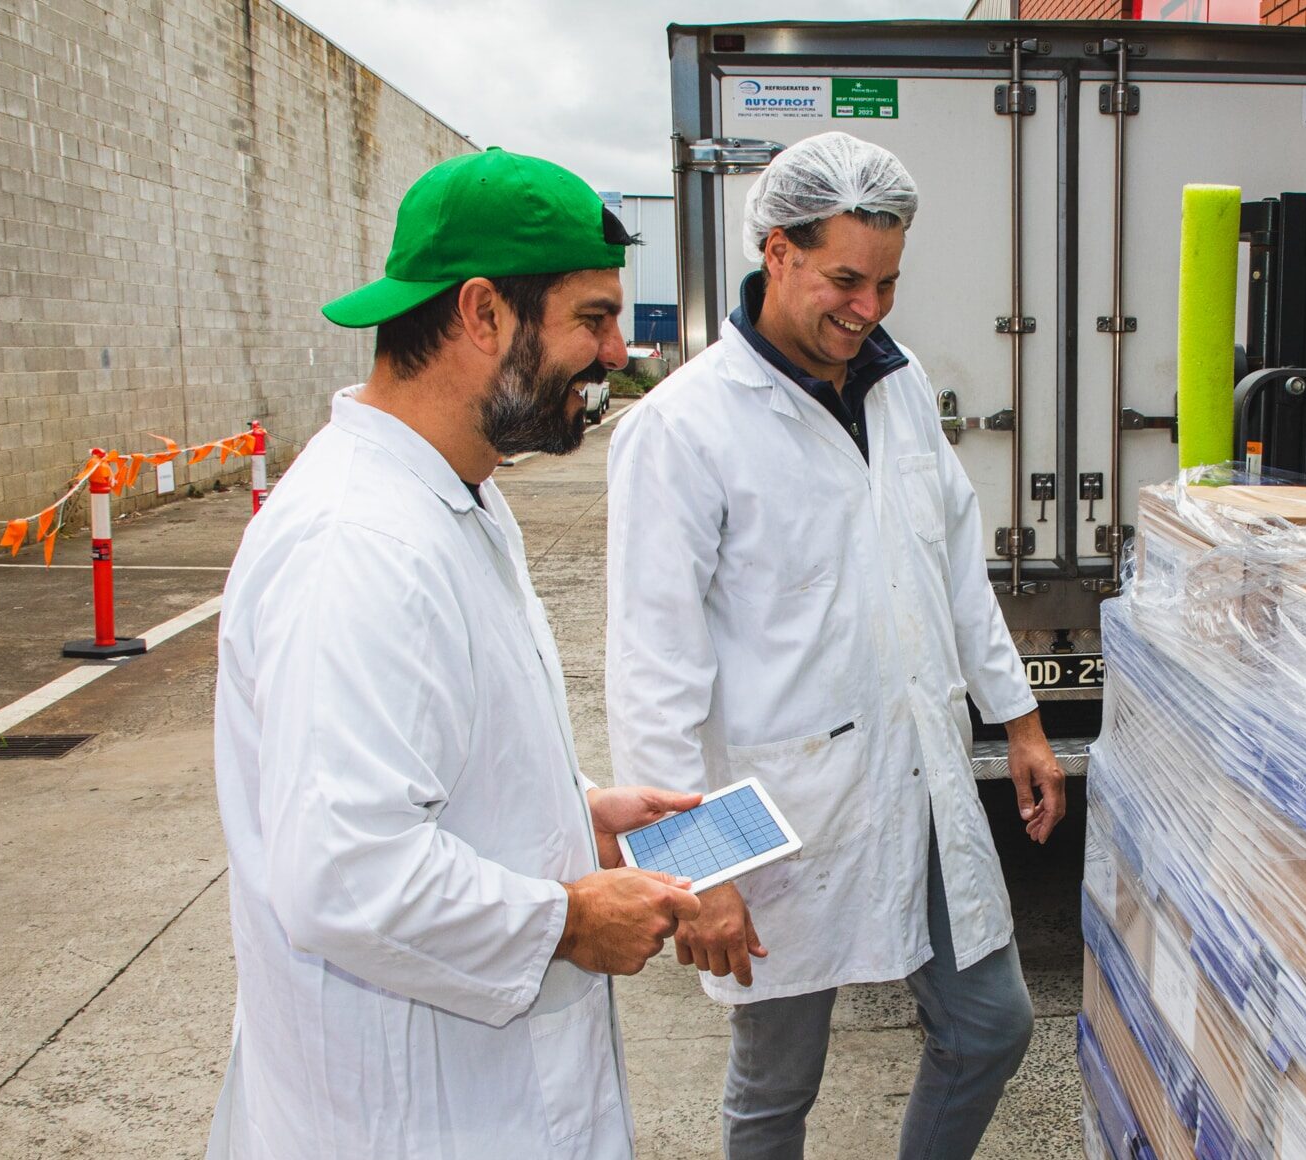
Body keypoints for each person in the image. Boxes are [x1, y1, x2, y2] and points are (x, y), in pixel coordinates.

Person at [208, 148, 702, 1160]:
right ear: (481, 314)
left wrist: (575, 809)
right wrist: (564, 918)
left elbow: (437, 749)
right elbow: (343, 872)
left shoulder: (457, 496)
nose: (615, 350)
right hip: (410, 1116)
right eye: (591, 317)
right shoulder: (359, 544)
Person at [605, 131, 1067, 1160]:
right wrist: (695, 874)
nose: (867, 308)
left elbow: (952, 568)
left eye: (888, 283)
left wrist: (1022, 720)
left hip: (917, 778)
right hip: (777, 815)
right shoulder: (683, 428)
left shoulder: (897, 390)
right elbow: (652, 670)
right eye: (844, 280)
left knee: (990, 1024)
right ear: (775, 251)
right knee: (777, 1085)